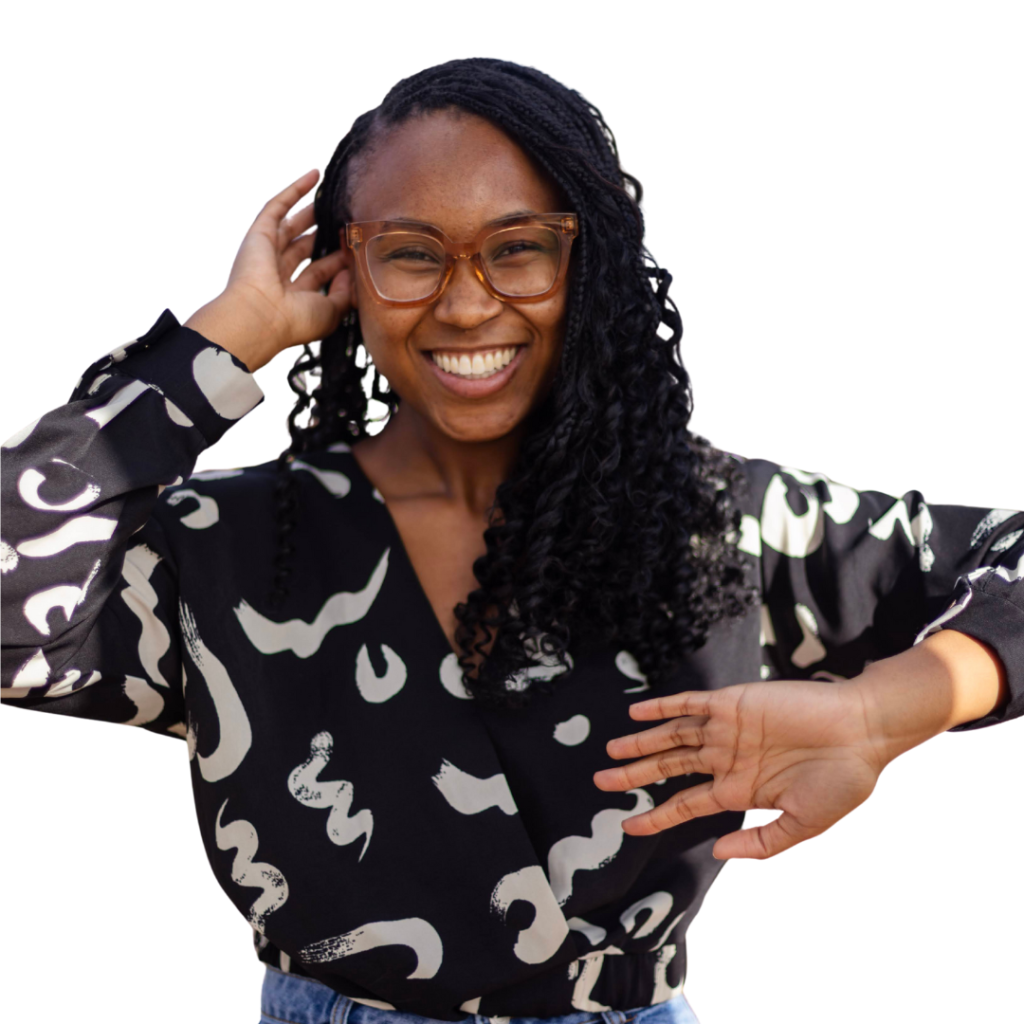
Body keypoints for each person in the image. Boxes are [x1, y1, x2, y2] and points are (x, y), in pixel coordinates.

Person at [2, 58, 1021, 1024]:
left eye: (519, 247)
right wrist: (225, 338)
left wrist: (879, 712)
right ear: (346, 270)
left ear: (593, 266)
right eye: (410, 252)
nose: (464, 303)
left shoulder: (722, 521)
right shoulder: (231, 542)